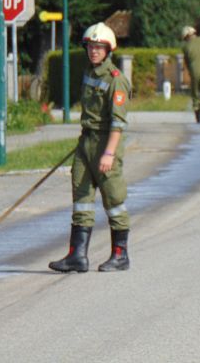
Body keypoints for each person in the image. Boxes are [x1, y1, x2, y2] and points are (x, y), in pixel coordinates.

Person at [49, 22, 131, 273]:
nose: (94, 51)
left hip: (106, 143)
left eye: (99, 47)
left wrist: (108, 153)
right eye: (91, 47)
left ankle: (120, 255)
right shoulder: (89, 72)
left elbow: (118, 123)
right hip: (86, 141)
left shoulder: (116, 81)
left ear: (108, 50)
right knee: (81, 198)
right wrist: (85, 145)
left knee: (113, 200)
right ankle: (77, 256)